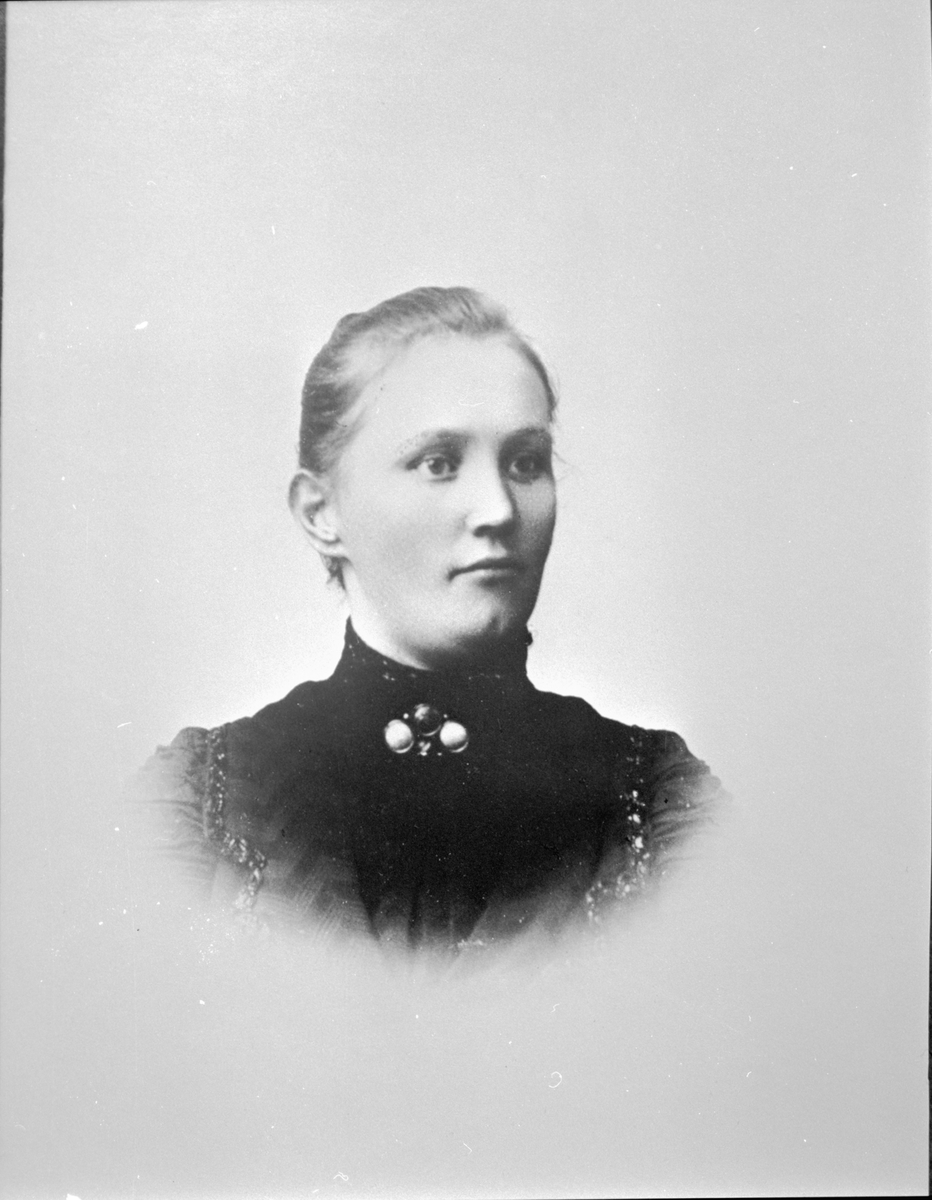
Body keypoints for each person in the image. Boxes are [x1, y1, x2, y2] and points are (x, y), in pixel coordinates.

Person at [134, 286, 720, 951]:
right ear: (322, 513)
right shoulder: (201, 803)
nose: (499, 509)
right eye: (438, 464)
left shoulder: (656, 802)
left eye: (526, 463)